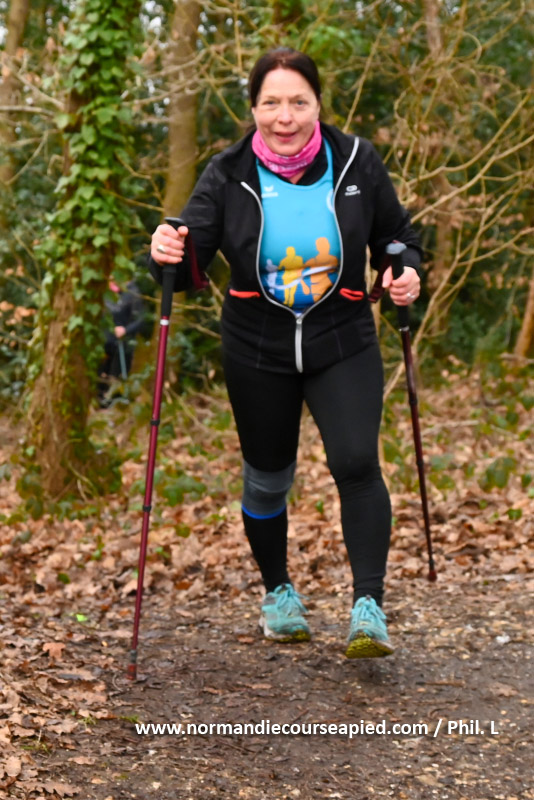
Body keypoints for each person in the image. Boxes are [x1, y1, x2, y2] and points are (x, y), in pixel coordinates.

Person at [148, 48, 423, 658]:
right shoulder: (227, 173)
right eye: (271, 102)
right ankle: (279, 594)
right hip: (257, 347)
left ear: (318, 104)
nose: (285, 116)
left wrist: (403, 271)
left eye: (299, 101)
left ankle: (369, 608)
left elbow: (398, 238)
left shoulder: (356, 160)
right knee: (268, 479)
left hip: (342, 338)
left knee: (357, 462)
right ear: (252, 108)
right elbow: (188, 253)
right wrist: (166, 249)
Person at [98, 278, 145, 406]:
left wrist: (125, 330)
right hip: (106, 341)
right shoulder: (107, 293)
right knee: (101, 371)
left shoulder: (133, 293)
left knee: (117, 373)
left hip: (124, 344)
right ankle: (101, 397)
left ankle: (114, 400)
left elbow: (140, 319)